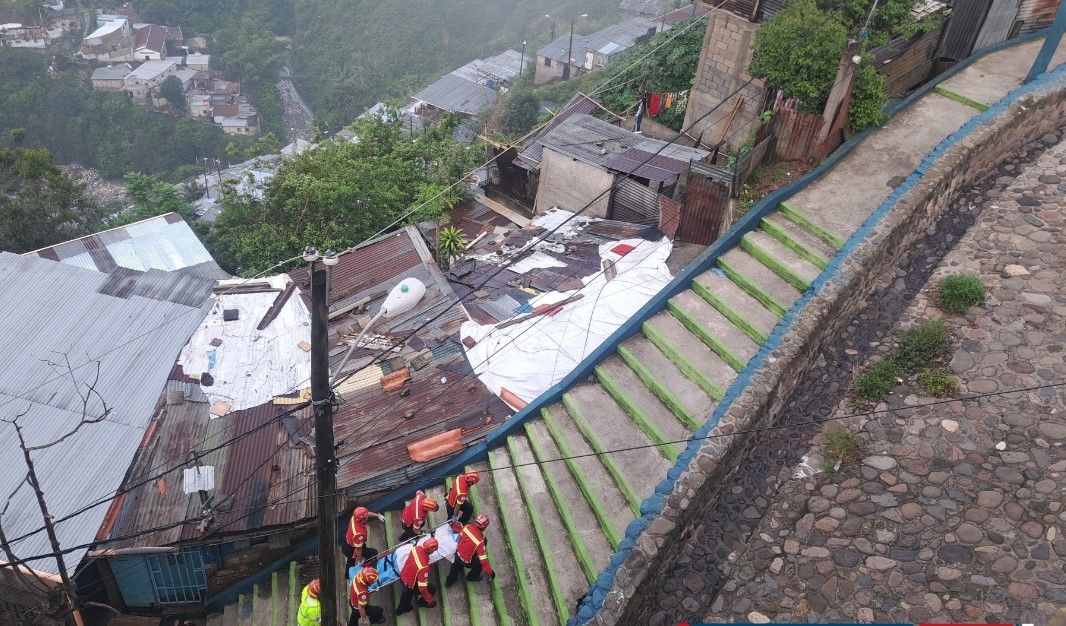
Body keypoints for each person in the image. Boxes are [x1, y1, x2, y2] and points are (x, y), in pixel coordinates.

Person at [445, 514, 495, 586]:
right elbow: (484, 561)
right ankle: (471, 577)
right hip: (466, 561)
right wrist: (490, 572)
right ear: (484, 527)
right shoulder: (480, 542)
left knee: (455, 567)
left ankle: (449, 582)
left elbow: (458, 531)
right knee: (479, 564)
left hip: (458, 554)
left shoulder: (467, 527)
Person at [396, 537, 438, 615]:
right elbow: (422, 588)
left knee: (406, 596)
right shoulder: (423, 567)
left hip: (404, 575)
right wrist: (429, 600)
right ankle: (422, 603)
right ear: (431, 550)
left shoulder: (416, 549)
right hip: (411, 584)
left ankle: (401, 609)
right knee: (432, 589)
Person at [343, 506, 385, 570]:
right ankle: (365, 567)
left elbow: (366, 513)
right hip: (352, 548)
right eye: (366, 517)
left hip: (348, 541)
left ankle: (347, 574)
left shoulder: (354, 517)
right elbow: (358, 550)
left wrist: (377, 515)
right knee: (373, 553)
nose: (367, 516)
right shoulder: (359, 534)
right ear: (363, 519)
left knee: (350, 560)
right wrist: (360, 561)